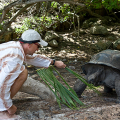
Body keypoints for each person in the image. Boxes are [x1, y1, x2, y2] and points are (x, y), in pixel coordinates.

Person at [0, 29, 66, 119]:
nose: (38, 49)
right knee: (22, 72)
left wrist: (53, 62)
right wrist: (8, 106)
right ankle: (1, 111)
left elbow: (31, 58)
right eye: (38, 46)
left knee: (23, 72)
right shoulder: (15, 57)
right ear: (29, 44)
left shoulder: (16, 47)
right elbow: (3, 84)